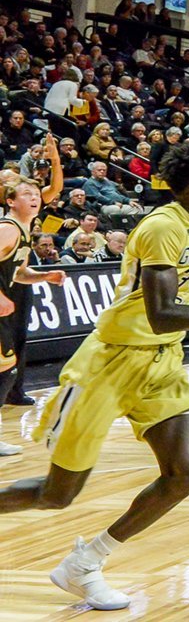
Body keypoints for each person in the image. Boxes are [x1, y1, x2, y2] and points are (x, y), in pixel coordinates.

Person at [2, 143, 189, 610]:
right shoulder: (161, 227)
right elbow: (161, 313)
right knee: (57, 495)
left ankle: (85, 563)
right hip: (109, 363)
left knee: (186, 473)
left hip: (161, 362)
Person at [0, 181, 66, 457]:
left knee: (6, 369)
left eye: (37, 194)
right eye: (27, 194)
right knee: (5, 371)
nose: (35, 197)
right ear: (11, 201)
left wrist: (44, 276)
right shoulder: (6, 229)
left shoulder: (24, 232)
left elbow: (17, 272)